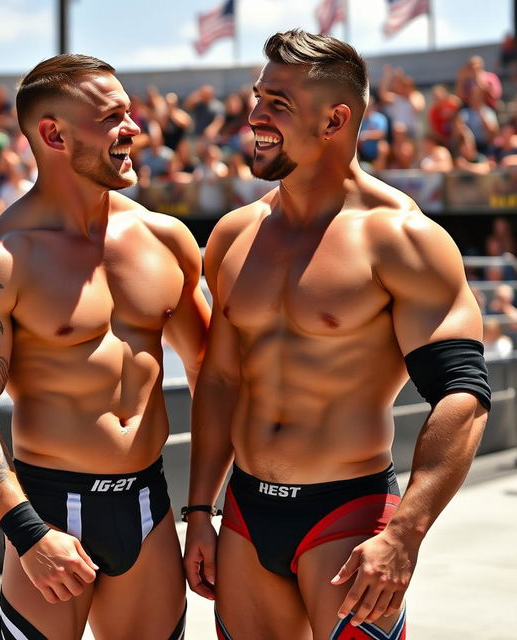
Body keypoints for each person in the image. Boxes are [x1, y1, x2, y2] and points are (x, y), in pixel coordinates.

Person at [184, 30, 490, 640]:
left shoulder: (400, 237)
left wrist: (405, 533)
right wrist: (199, 511)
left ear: (335, 119)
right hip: (245, 514)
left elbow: (463, 393)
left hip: (348, 517)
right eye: (257, 97)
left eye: (278, 103)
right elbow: (219, 379)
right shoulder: (234, 234)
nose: (254, 116)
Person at [0, 53, 210, 640]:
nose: (134, 130)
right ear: (53, 133)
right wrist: (28, 534)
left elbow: (217, 371)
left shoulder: (166, 241)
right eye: (112, 118)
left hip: (147, 503)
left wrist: (204, 510)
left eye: (130, 114)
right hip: (50, 508)